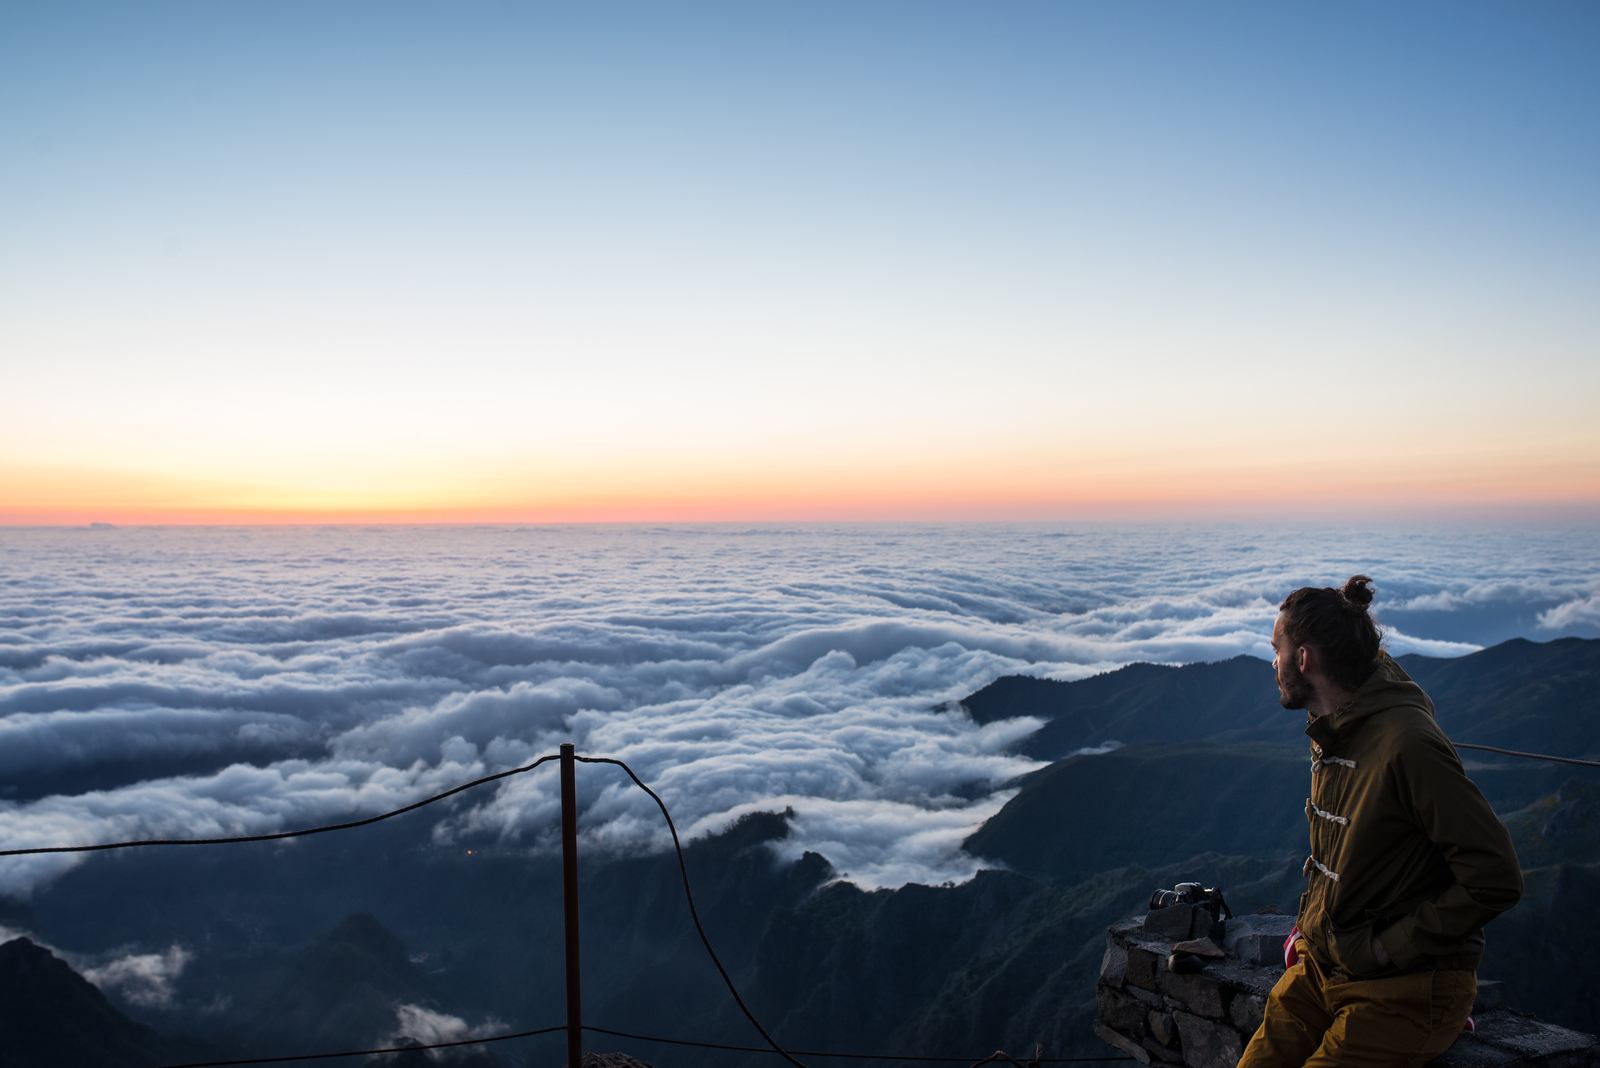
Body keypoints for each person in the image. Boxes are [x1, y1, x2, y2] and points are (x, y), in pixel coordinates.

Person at [1237, 575, 1522, 1067]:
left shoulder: (1407, 745)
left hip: (1407, 989)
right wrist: (1314, 925)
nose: (1272, 664)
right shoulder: (1338, 722)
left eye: (1276, 651)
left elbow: (1496, 878)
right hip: (1325, 966)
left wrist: (1390, 948)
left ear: (1304, 660)